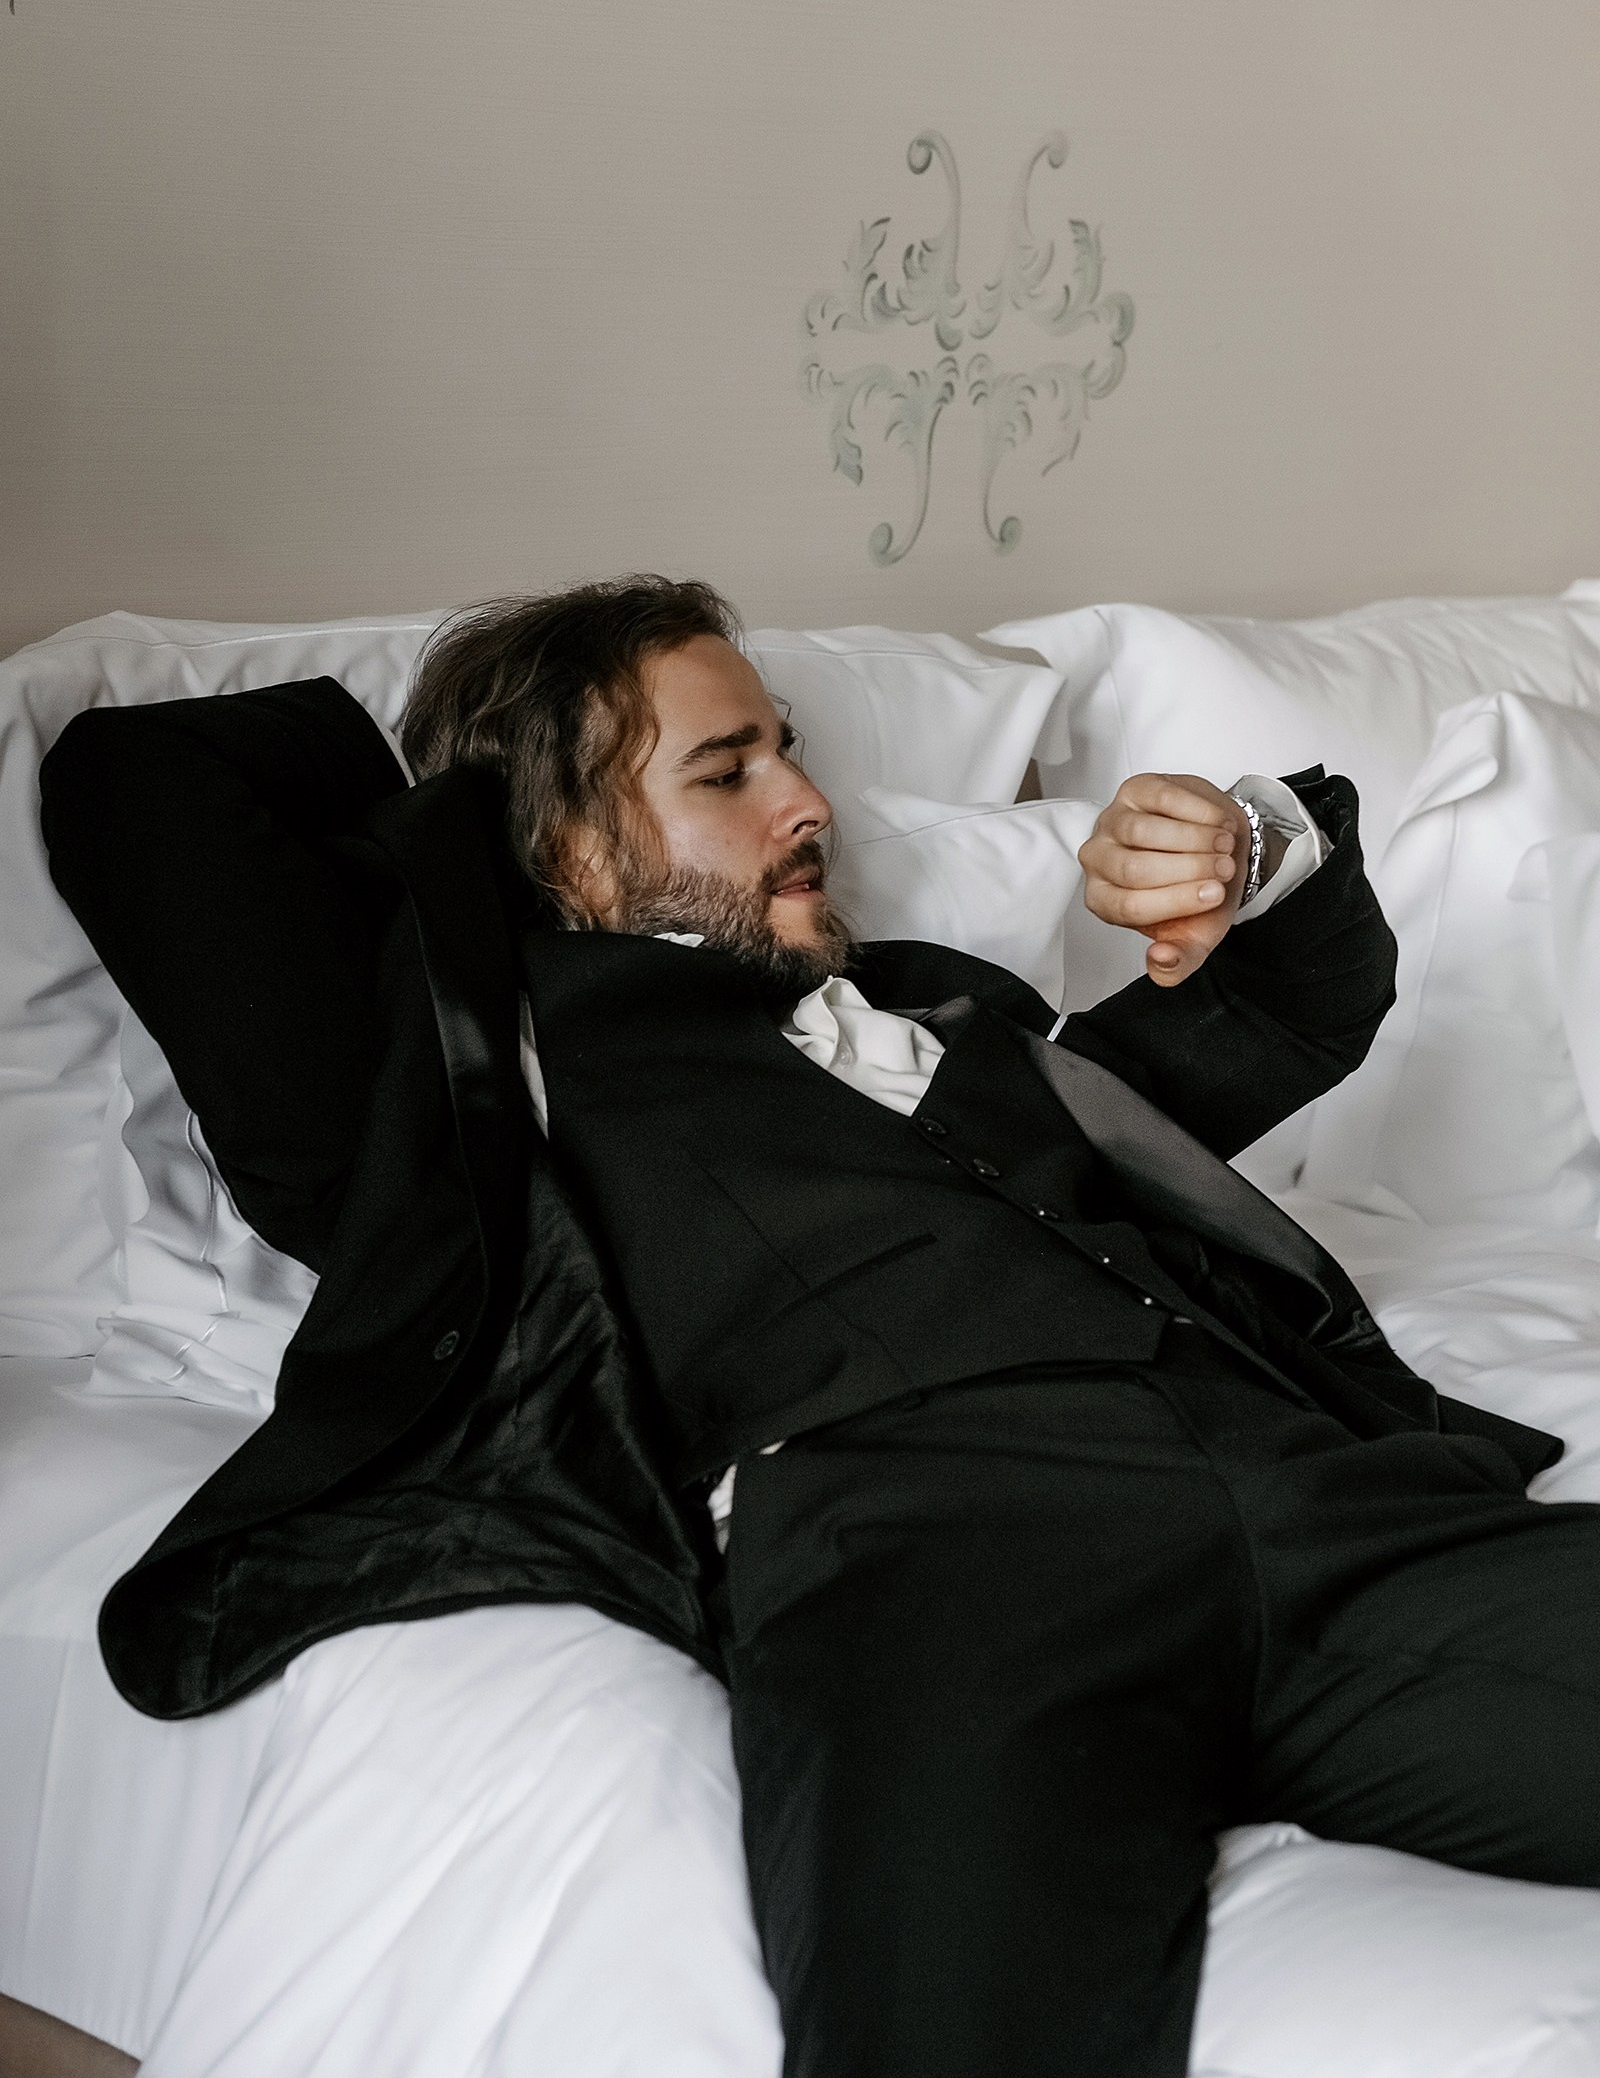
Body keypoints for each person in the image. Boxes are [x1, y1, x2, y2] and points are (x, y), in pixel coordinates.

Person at [39, 575, 1600, 2078]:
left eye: (788, 750)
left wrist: (1253, 836)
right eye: (729, 770)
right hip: (946, 1555)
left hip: (1329, 1502)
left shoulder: (953, 1023)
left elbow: (1282, 1010)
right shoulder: (482, 1076)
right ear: (565, 847)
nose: (809, 802)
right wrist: (479, 838)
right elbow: (140, 782)